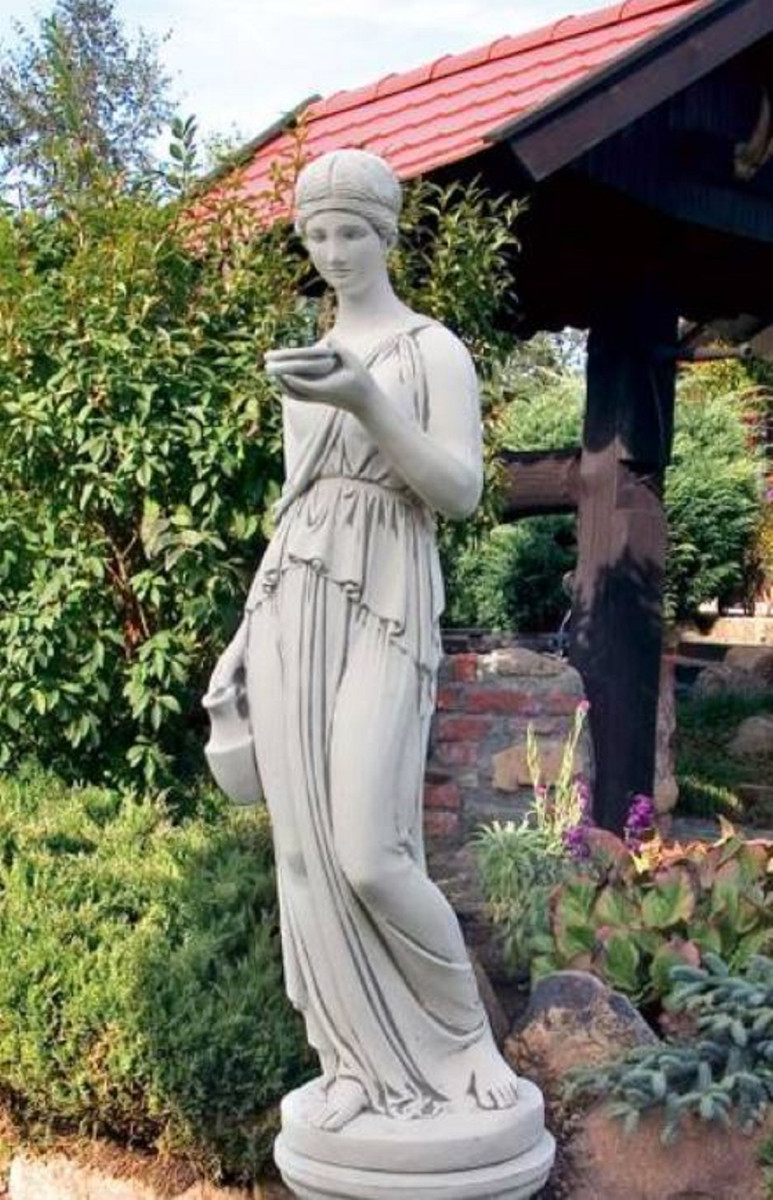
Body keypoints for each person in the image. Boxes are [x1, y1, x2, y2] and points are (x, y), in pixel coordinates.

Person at [208, 148, 519, 1133]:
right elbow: (295, 504)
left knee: (371, 853)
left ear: (385, 236)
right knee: (302, 855)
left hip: (385, 591)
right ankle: (349, 1058)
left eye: (351, 232)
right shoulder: (305, 361)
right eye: (316, 235)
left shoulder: (431, 351)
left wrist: (366, 400)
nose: (333, 252)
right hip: (294, 596)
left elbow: (457, 491)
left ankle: (463, 1037)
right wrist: (241, 635)